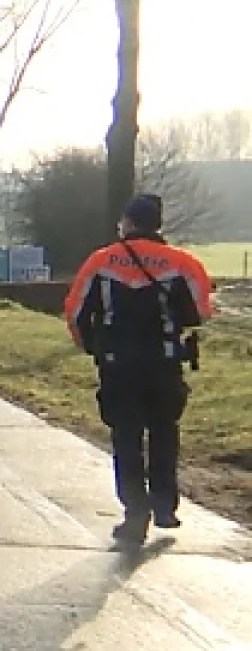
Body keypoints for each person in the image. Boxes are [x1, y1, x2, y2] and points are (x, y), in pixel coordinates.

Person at [64, 193, 214, 544]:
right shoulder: (182, 262)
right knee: (164, 430)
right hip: (163, 362)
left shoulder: (101, 261)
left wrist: (91, 345)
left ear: (128, 222)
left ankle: (135, 512)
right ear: (158, 224)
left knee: (126, 436)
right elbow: (201, 311)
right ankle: (164, 505)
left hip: (118, 363)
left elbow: (75, 311)